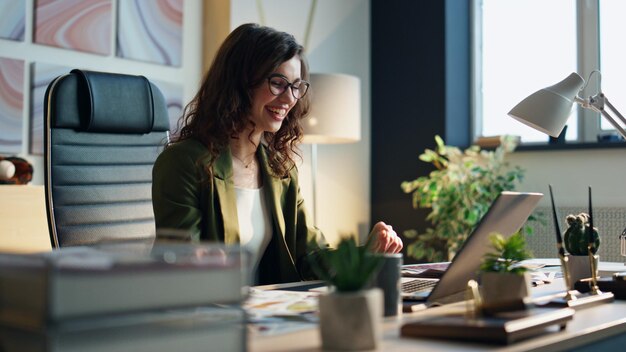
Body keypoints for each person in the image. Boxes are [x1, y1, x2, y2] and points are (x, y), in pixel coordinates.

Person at [152, 23, 402, 284]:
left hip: (266, 316)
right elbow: (179, 269)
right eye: (278, 83)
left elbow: (310, 257)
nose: (290, 98)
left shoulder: (279, 170)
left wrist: (366, 252)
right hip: (208, 317)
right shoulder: (184, 162)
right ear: (239, 82)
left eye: (296, 86)